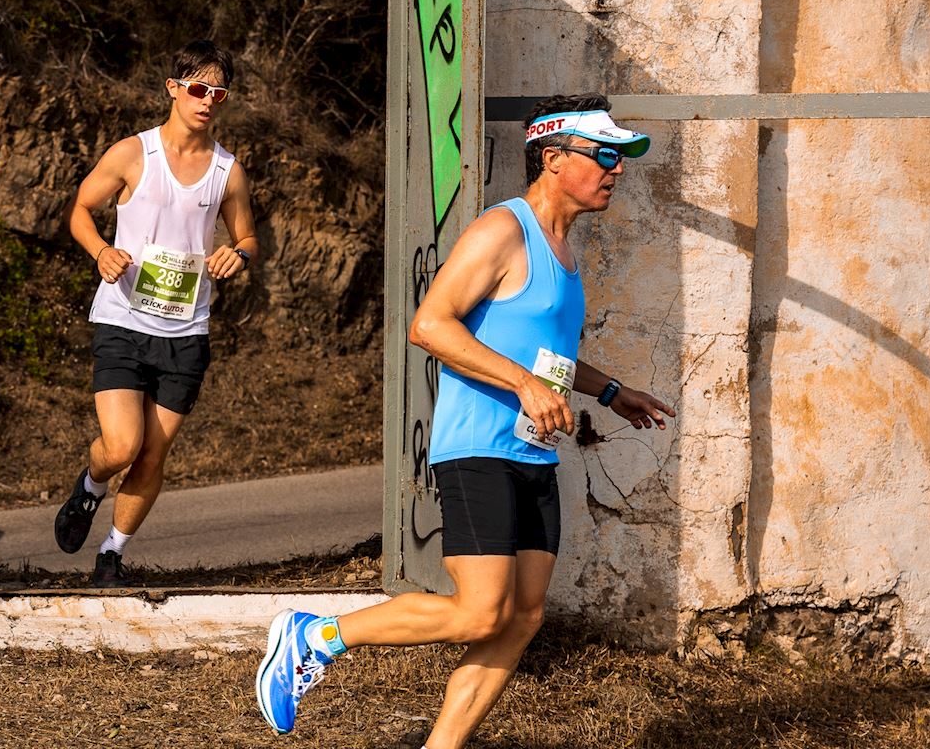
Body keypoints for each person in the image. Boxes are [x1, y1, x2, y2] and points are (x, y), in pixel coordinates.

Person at [255, 94, 676, 747]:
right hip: (478, 447)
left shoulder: (563, 252)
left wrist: (611, 389)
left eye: (621, 158)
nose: (617, 169)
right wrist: (524, 383)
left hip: (532, 454)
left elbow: (543, 356)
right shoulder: (502, 231)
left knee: (523, 615)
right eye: (606, 155)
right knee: (481, 612)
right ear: (554, 157)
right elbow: (430, 324)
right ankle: (317, 635)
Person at [53, 40, 258, 587]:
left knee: (152, 457)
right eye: (198, 88)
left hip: (186, 331)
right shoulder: (132, 154)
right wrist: (101, 251)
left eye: (219, 92)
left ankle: (111, 556)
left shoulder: (226, 171)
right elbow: (79, 209)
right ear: (173, 88)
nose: (208, 100)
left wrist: (236, 254)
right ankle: (91, 487)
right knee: (122, 446)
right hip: (122, 319)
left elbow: (249, 237)